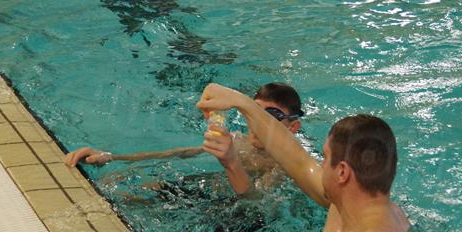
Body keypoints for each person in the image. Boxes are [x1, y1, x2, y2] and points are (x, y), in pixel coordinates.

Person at [170, 83, 410, 232]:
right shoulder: (352, 202)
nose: (320, 165)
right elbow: (295, 156)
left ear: (342, 173)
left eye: (325, 158)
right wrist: (241, 102)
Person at [64, 83, 305, 195]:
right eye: (255, 112)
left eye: (272, 116)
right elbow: (180, 153)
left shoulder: (285, 166)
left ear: (293, 127)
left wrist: (231, 162)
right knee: (130, 189)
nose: (260, 123)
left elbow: (255, 202)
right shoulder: (237, 139)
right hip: (208, 190)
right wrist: (111, 157)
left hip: (236, 216)